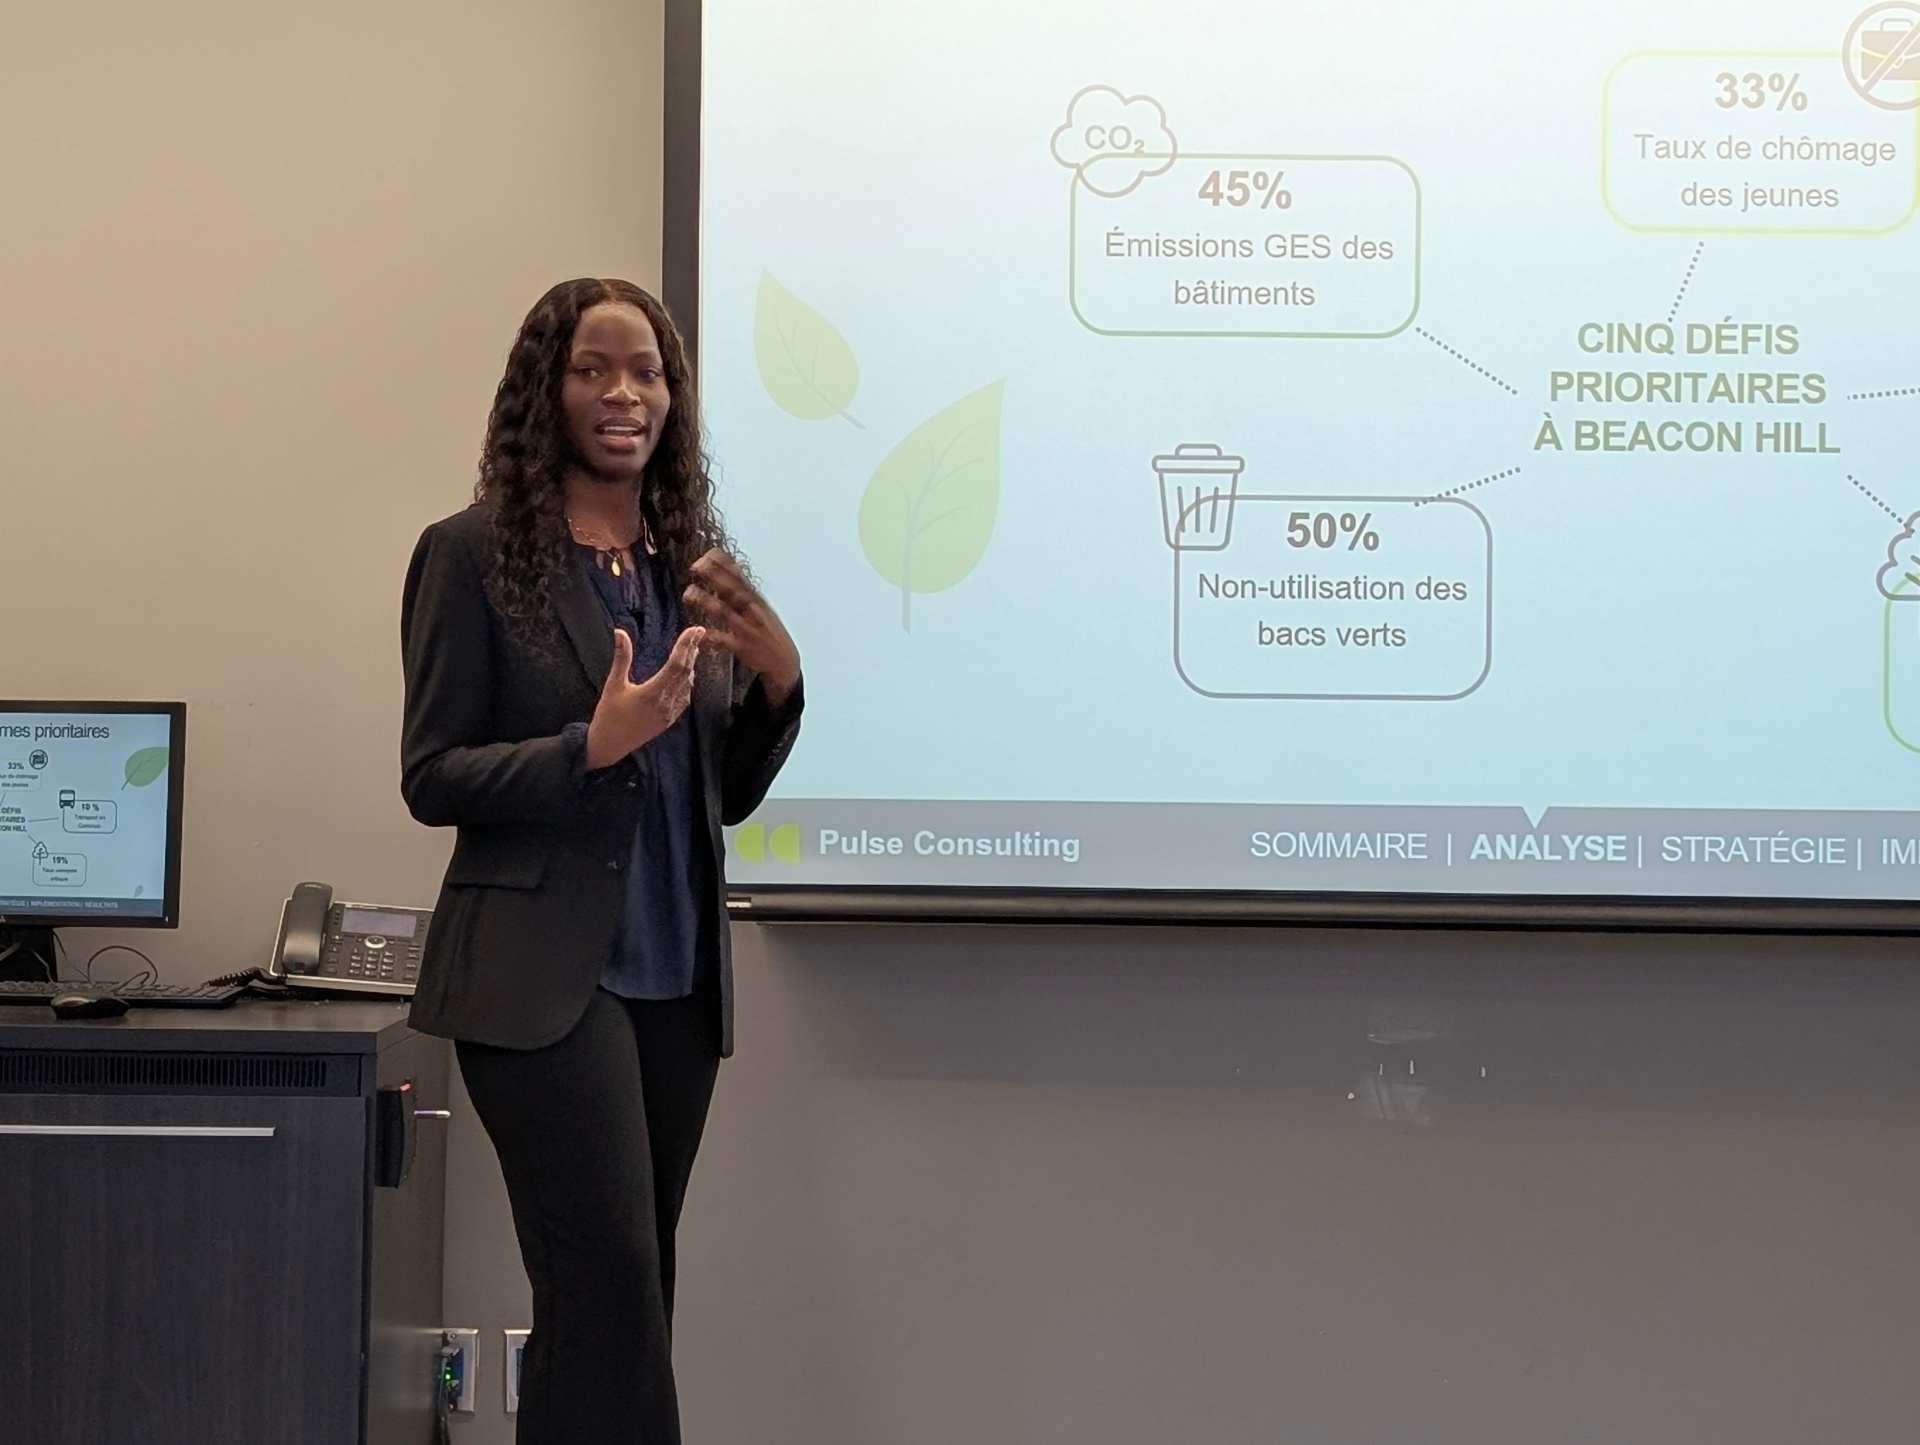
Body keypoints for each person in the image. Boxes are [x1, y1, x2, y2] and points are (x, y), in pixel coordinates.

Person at [398, 277, 802, 1444]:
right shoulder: (469, 555)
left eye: (650, 373)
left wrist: (781, 685)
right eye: (595, 369)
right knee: (611, 1271)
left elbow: (717, 791)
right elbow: (433, 774)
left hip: (676, 975)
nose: (626, 393)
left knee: (623, 1292)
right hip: (539, 980)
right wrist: (591, 744)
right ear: (547, 389)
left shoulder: (692, 567)